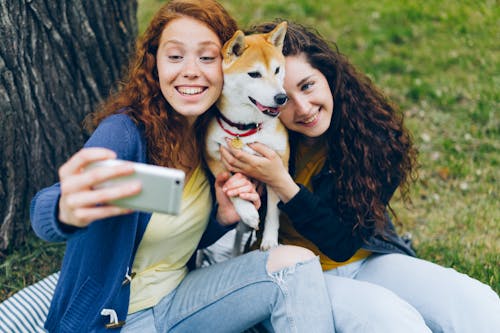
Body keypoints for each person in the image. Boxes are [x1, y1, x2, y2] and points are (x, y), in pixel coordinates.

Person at [30, 4, 334, 332]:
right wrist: (63, 209)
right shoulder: (126, 134)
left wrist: (221, 217)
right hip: (114, 320)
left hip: (181, 301)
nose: (190, 70)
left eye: (206, 57)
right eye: (175, 57)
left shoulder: (209, 135)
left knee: (296, 264)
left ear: (226, 64)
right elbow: (46, 209)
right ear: (154, 64)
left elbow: (176, 241)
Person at [221, 20, 500, 333]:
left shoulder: (371, 136)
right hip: (301, 275)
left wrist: (282, 182)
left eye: (308, 85)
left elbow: (341, 243)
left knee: (474, 302)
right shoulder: (254, 137)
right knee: (389, 320)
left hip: (365, 257)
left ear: (328, 76)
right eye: (284, 95)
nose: (302, 108)